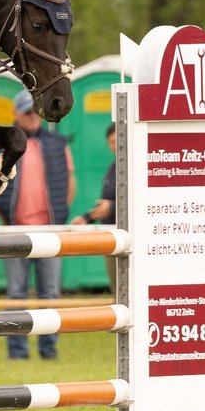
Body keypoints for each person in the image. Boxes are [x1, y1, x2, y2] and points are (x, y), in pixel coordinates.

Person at [0, 90, 76, 360]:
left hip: (49, 231)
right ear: (16, 115)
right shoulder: (1, 145)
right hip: (14, 231)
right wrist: (5, 220)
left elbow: (69, 182)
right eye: (27, 112)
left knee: (50, 294)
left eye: (35, 112)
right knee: (16, 294)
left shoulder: (58, 143)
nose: (33, 117)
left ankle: (49, 350)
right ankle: (17, 352)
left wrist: (59, 217)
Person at [71, 122, 117, 293]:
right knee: (117, 289)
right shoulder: (113, 168)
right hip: (113, 238)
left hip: (130, 240)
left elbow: (141, 202)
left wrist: (111, 208)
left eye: (118, 140)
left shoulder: (136, 166)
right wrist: (87, 218)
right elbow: (106, 203)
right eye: (112, 141)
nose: (116, 145)